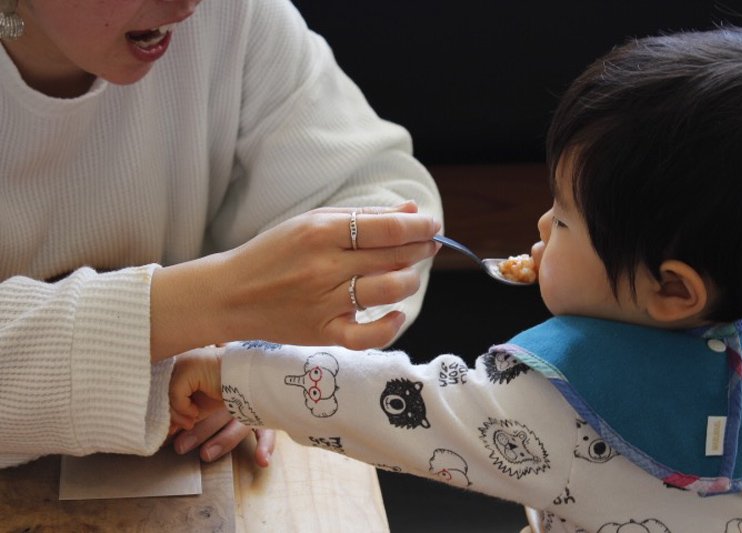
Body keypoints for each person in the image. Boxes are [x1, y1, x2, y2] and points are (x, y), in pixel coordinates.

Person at [170, 26, 742, 531]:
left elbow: (399, 406)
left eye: (567, 219)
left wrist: (231, 372)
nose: (542, 222)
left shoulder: (561, 403)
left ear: (673, 290)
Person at [0, 0, 443, 469]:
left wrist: (258, 364)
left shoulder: (232, 12)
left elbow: (376, 190)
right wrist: (207, 304)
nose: (189, 5)